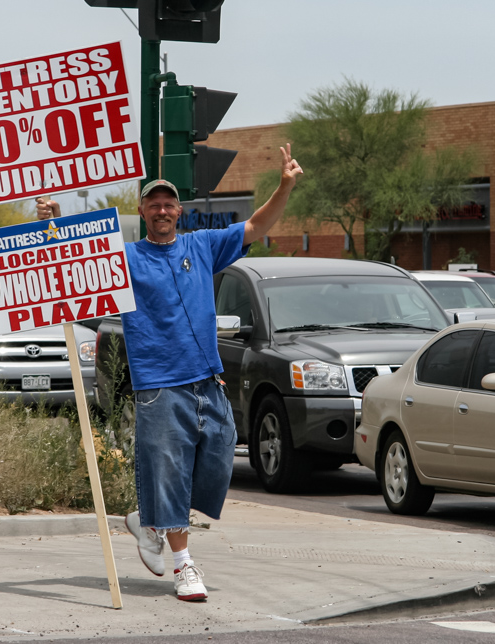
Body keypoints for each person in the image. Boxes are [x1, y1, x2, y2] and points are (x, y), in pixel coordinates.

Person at [36, 144, 302, 601]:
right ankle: (184, 565)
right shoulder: (127, 258)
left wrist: (285, 186)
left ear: (179, 210)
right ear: (141, 210)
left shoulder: (202, 245)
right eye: (153, 203)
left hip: (209, 382)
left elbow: (257, 225)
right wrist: (52, 223)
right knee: (172, 470)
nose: (161, 209)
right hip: (159, 386)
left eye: (168, 203)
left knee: (217, 461)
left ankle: (151, 519)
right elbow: (75, 265)